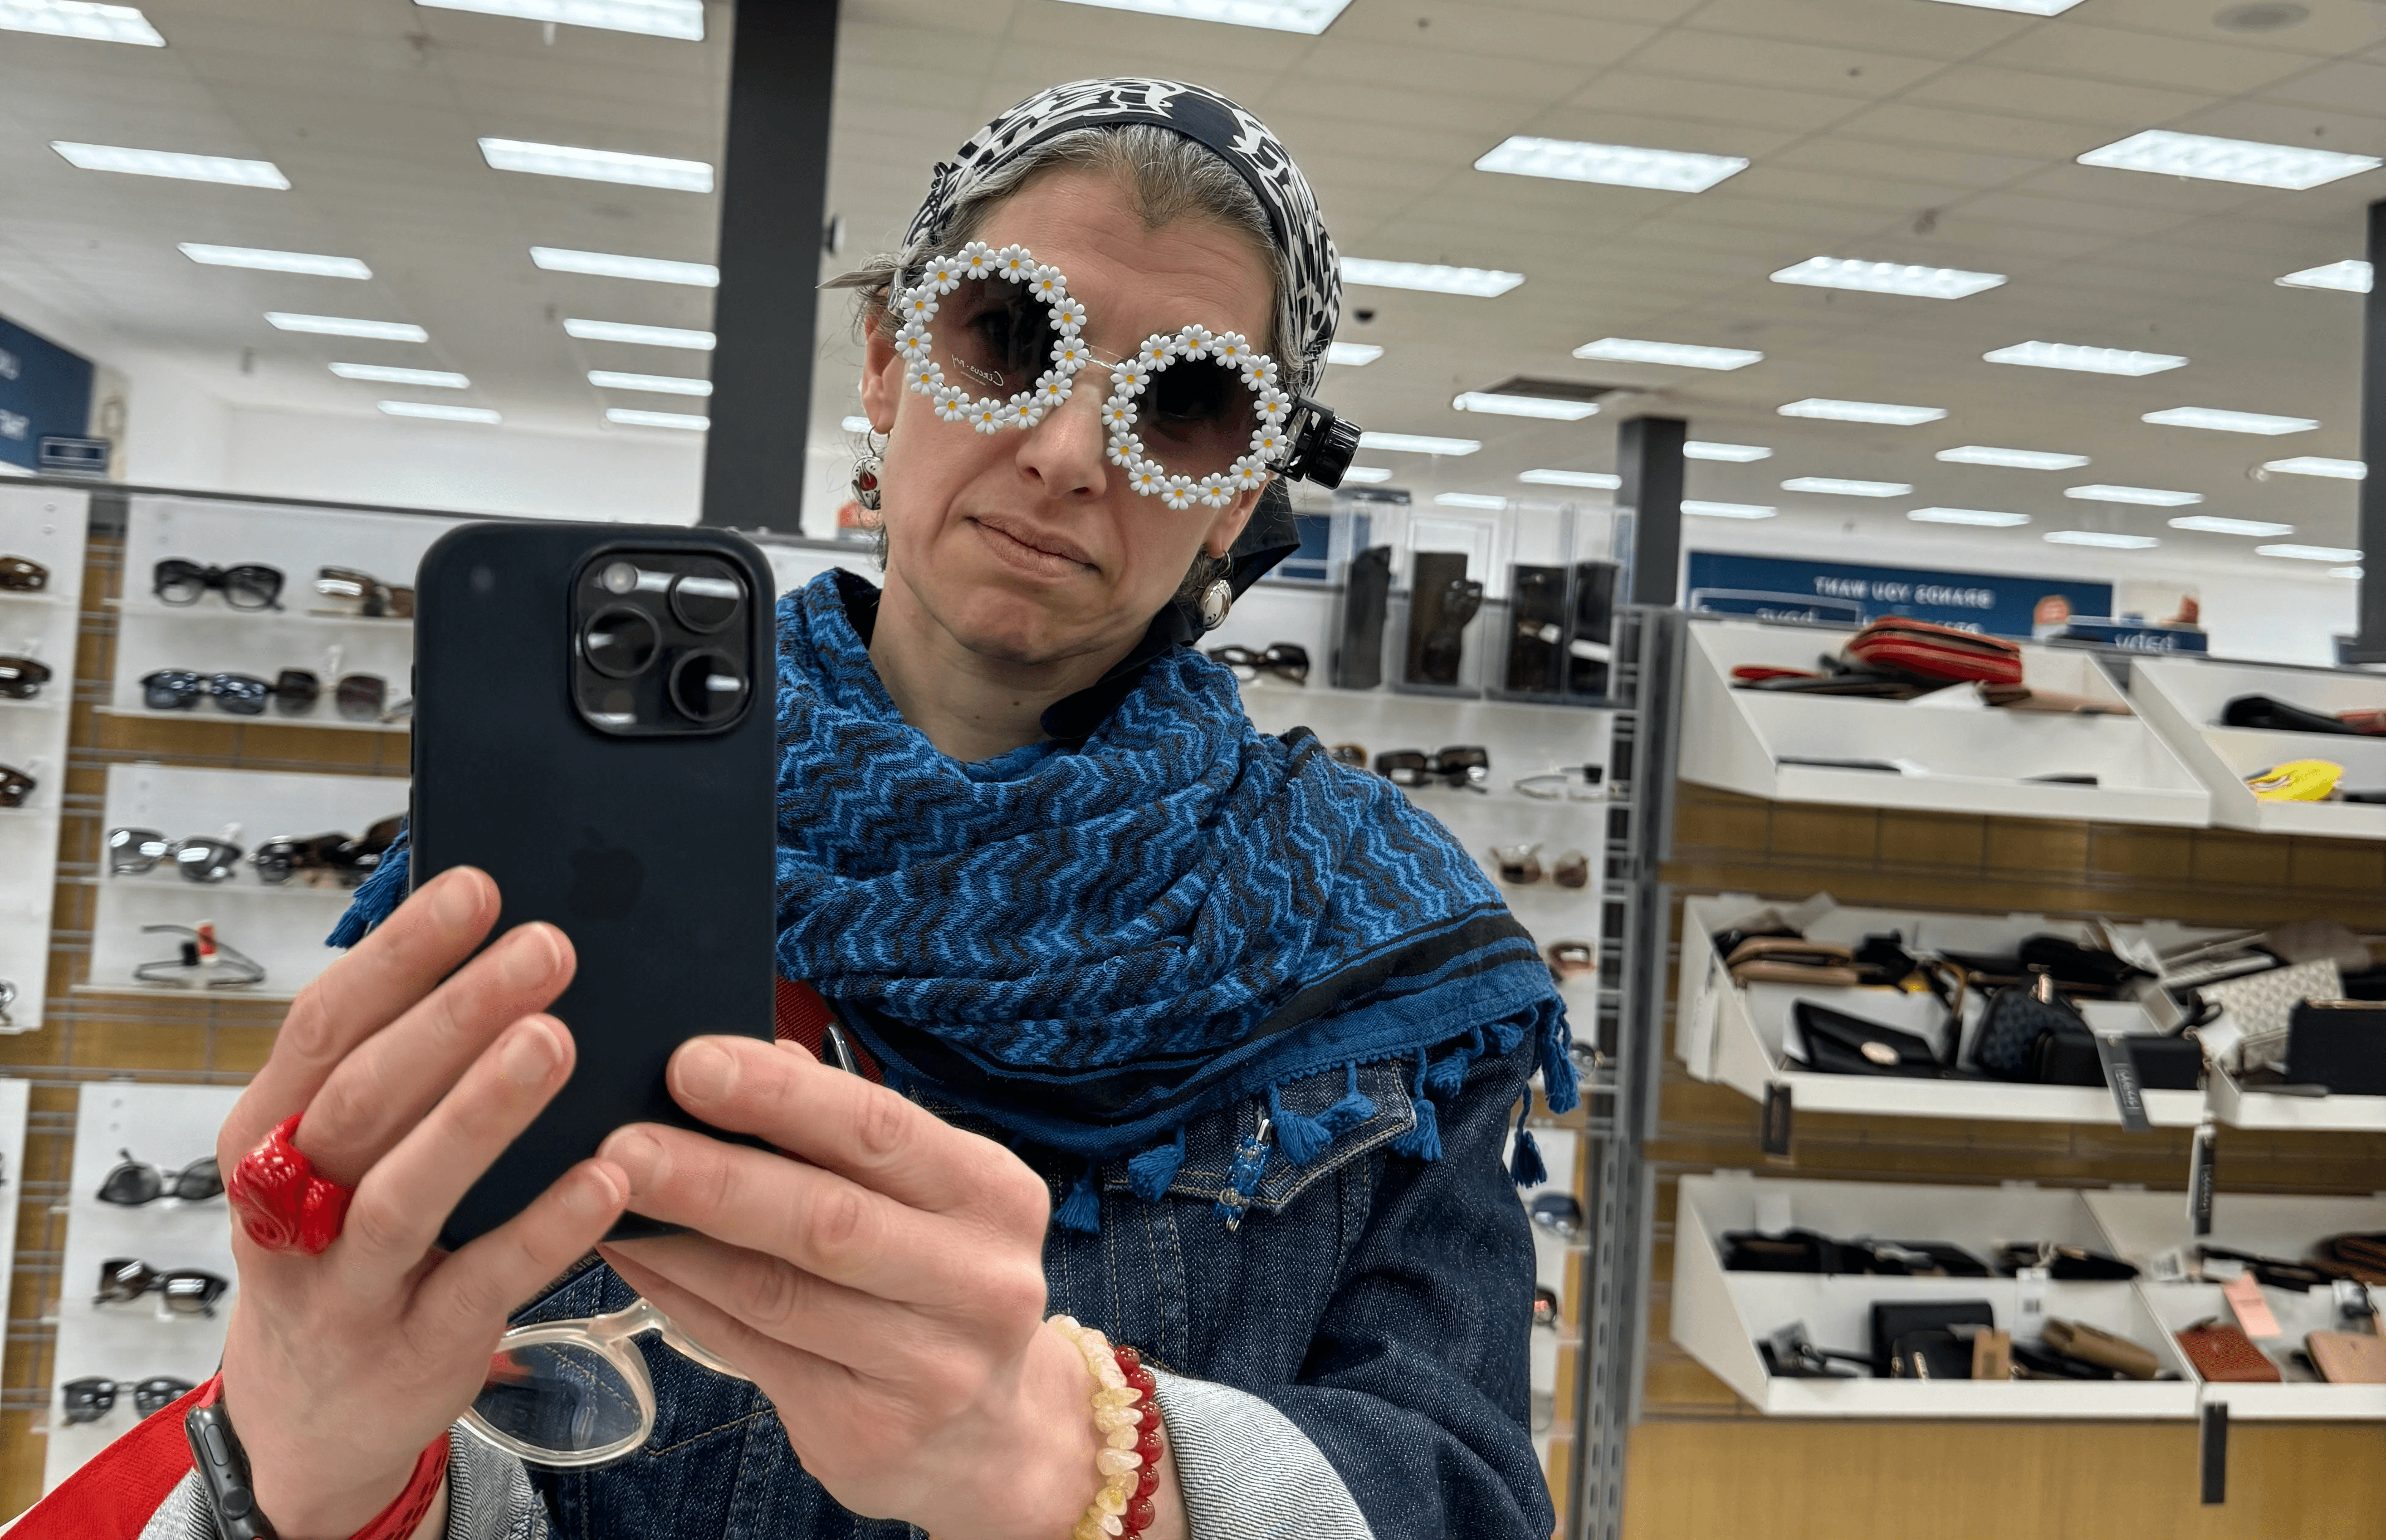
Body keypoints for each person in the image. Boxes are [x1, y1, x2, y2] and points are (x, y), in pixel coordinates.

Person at [35, 79, 1573, 1540]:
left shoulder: (1385, 943)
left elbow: (1464, 1488)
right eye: (1005, 334)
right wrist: (312, 1464)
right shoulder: (535, 848)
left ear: (1239, 492)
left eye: (1179, 408)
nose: (1059, 452)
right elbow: (433, 1424)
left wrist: (1083, 1458)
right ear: (890, 361)